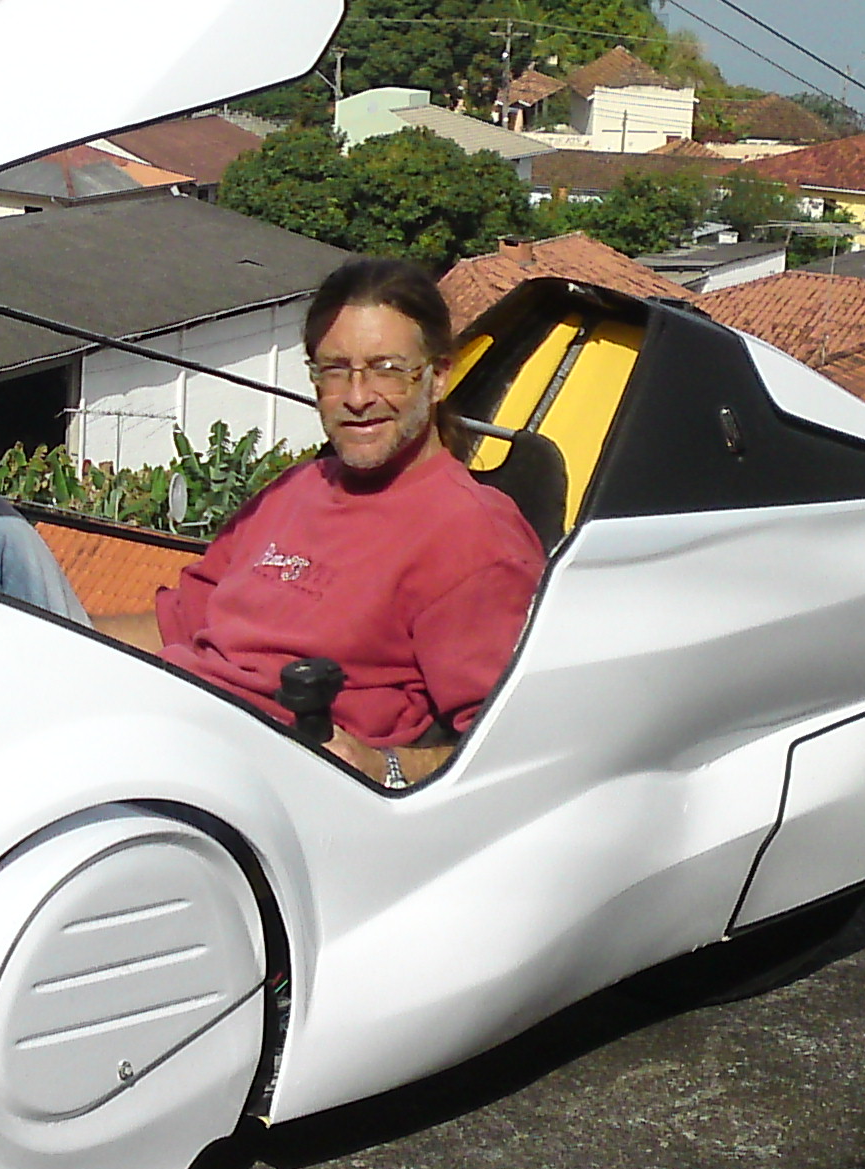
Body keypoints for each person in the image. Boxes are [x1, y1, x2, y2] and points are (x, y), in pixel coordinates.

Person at [100, 255, 547, 789]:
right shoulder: (296, 489)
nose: (358, 398)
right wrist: (51, 636)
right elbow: (176, 623)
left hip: (256, 783)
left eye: (388, 369)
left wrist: (388, 766)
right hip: (157, 724)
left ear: (438, 377)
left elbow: (513, 754)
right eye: (336, 370)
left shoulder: (473, 539)